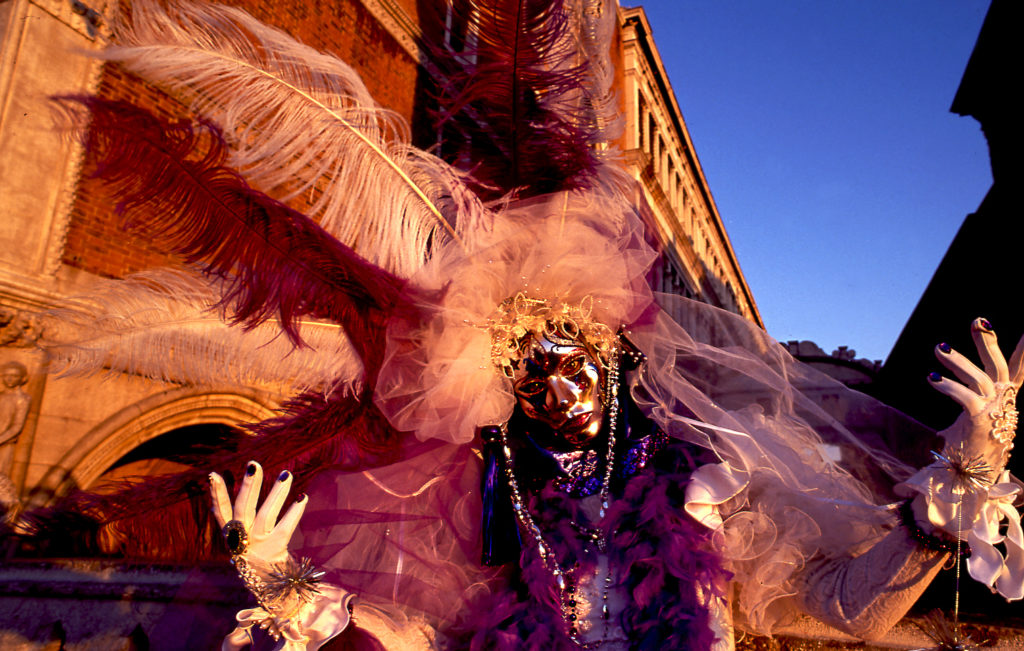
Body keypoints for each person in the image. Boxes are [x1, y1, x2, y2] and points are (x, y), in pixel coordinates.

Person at [44, 1, 1022, 649]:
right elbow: (417, 636)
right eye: (532, 373)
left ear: (612, 360)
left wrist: (961, 484)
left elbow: (850, 605)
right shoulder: (489, 513)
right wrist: (290, 586)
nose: (559, 385)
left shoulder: (710, 492)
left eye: (573, 357)